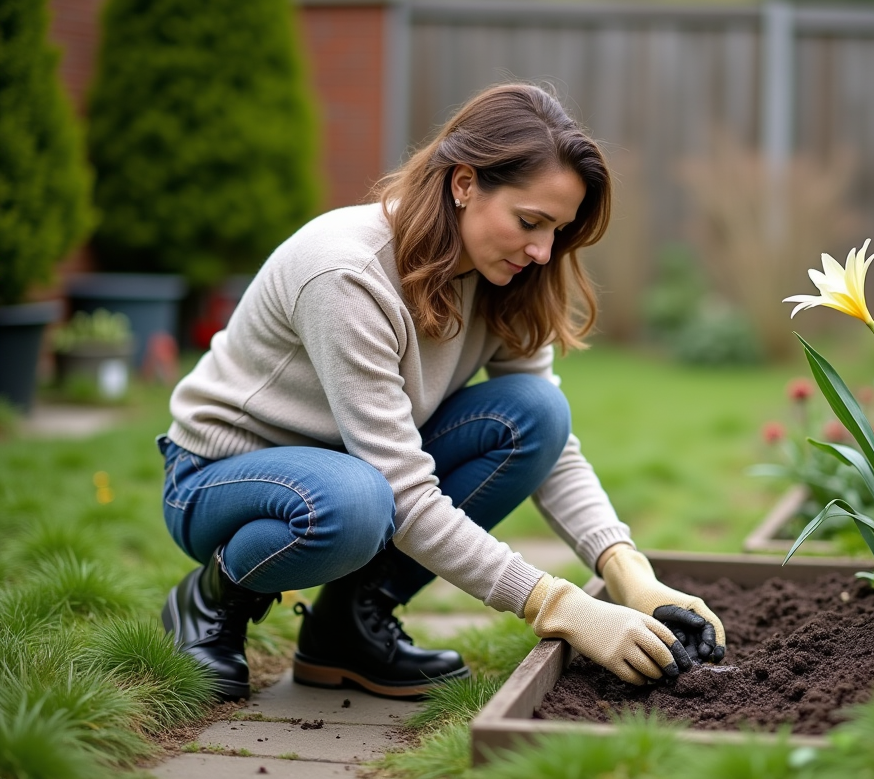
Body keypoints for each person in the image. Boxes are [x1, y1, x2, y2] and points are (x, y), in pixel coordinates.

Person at [157, 83, 726, 701]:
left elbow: (551, 446)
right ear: (463, 184)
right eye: (529, 222)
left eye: (557, 231)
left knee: (535, 414)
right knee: (356, 502)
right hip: (223, 479)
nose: (542, 252)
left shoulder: (507, 275)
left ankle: (348, 625)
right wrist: (562, 607)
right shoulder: (347, 273)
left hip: (359, 473)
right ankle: (212, 597)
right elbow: (400, 486)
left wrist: (630, 576)